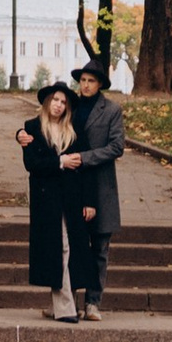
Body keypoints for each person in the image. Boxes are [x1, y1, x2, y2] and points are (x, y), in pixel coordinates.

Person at [62, 56, 124, 317]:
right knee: (73, 245)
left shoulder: (111, 110)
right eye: (83, 80)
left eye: (91, 81)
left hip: (101, 186)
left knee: (100, 247)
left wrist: (86, 158)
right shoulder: (70, 107)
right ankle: (68, 302)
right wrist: (22, 135)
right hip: (73, 185)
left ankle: (93, 302)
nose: (85, 85)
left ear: (100, 85)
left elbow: (116, 146)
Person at [17, 80, 82, 319]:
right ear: (47, 101)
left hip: (69, 197)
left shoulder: (72, 130)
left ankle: (56, 306)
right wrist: (60, 162)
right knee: (60, 246)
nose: (58, 105)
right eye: (55, 99)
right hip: (46, 199)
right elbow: (31, 164)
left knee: (65, 247)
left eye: (63, 102)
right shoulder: (31, 127)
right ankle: (65, 308)